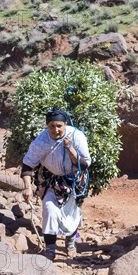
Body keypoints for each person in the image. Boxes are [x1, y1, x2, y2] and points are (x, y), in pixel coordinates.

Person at [21, 106, 91, 261]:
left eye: (59, 126)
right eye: (51, 126)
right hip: (50, 180)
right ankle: (50, 249)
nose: (56, 130)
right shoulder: (42, 141)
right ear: (47, 126)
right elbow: (27, 165)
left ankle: (71, 244)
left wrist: (70, 148)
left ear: (65, 124)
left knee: (71, 214)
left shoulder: (77, 136)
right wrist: (27, 187)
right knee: (49, 210)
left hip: (73, 182)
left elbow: (84, 164)